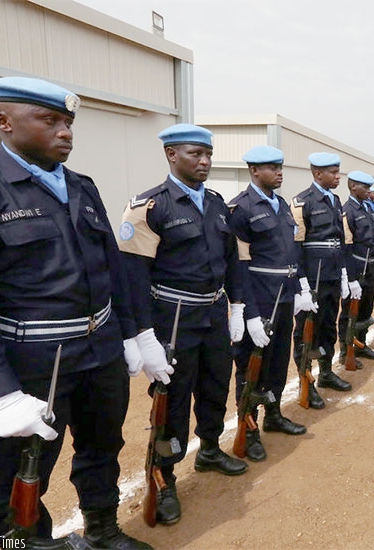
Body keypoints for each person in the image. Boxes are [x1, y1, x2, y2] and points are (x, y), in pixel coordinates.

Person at [0, 76, 150, 548]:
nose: (66, 132)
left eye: (68, 122)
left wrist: (131, 335)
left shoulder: (82, 186)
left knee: (102, 447)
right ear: (2, 122)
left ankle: (102, 530)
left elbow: (110, 269)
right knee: (19, 467)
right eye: (49, 120)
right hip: (33, 361)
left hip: (99, 349)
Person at [118, 123, 247, 526]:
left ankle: (209, 448)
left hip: (213, 312)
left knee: (214, 384)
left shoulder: (216, 203)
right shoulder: (150, 206)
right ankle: (165, 477)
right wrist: (140, 335)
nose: (204, 161)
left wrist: (239, 306)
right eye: (195, 154)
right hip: (172, 316)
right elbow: (132, 276)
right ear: (171, 155)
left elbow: (231, 261)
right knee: (172, 399)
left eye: (207, 154)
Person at [228, 146, 311, 462]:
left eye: (280, 166)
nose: (279, 172)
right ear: (253, 171)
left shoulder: (282, 206)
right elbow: (238, 264)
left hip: (285, 295)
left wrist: (301, 285)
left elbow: (292, 251)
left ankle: (273, 415)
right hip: (260, 297)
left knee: (277, 360)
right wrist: (247, 311)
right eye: (271, 167)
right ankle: (248, 430)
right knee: (251, 364)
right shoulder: (240, 209)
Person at [291, 152, 355, 403]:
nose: (338, 176)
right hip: (313, 278)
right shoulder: (302, 202)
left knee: (328, 325)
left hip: (331, 276)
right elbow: (296, 246)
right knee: (307, 332)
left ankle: (326, 372)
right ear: (318, 174)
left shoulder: (335, 200)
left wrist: (344, 275)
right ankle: (306, 381)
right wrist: (302, 284)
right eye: (333, 172)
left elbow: (339, 240)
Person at [338, 171, 374, 366]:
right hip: (355, 268)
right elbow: (346, 246)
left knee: (365, 309)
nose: (368, 191)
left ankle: (361, 344)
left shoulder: (367, 208)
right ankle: (346, 350)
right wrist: (351, 277)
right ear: (353, 187)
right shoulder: (348, 211)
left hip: (369, 267)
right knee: (349, 312)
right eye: (365, 187)